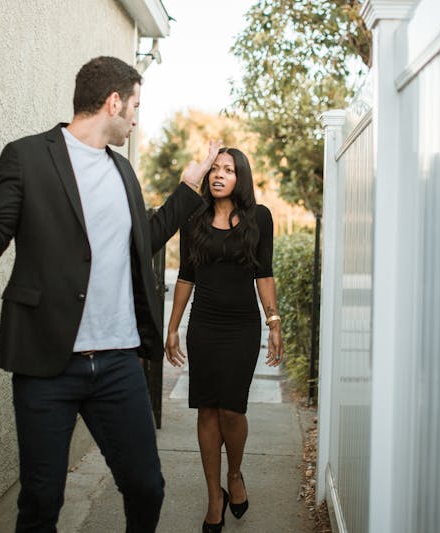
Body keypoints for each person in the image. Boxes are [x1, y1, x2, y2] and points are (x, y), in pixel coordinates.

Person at [0, 56, 220, 532]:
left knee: (147, 487)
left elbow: (141, 241)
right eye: (135, 106)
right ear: (113, 101)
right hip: (47, 363)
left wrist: (188, 188)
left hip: (118, 364)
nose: (135, 117)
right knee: (42, 501)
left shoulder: (123, 171)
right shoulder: (26, 156)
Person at [164, 147, 283, 533]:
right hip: (205, 325)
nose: (218, 175)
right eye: (214, 169)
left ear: (240, 177)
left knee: (232, 409)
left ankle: (234, 474)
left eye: (227, 170)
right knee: (207, 409)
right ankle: (214, 496)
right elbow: (185, 275)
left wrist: (274, 320)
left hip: (242, 326)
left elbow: (264, 272)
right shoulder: (193, 218)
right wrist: (173, 327)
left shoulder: (258, 218)